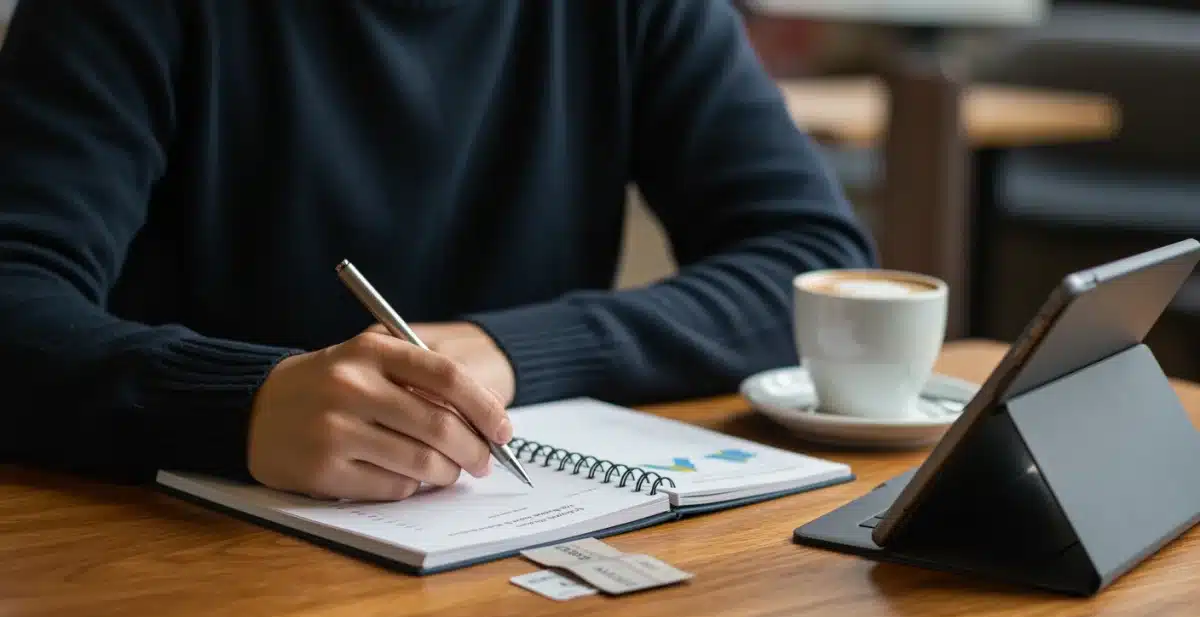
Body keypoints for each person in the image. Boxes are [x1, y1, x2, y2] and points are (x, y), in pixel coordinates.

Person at [0, 0, 876, 501]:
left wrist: (511, 352)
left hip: (515, 562)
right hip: (178, 557)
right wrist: (240, 406)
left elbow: (811, 263)